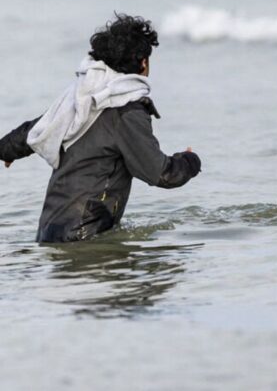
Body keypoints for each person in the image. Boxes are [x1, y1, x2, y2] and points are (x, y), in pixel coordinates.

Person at [0, 14, 202, 243]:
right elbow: (161, 174)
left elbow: (36, 129)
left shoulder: (80, 97)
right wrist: (190, 161)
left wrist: (6, 151)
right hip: (84, 236)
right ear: (143, 62)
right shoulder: (126, 111)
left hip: (49, 232)